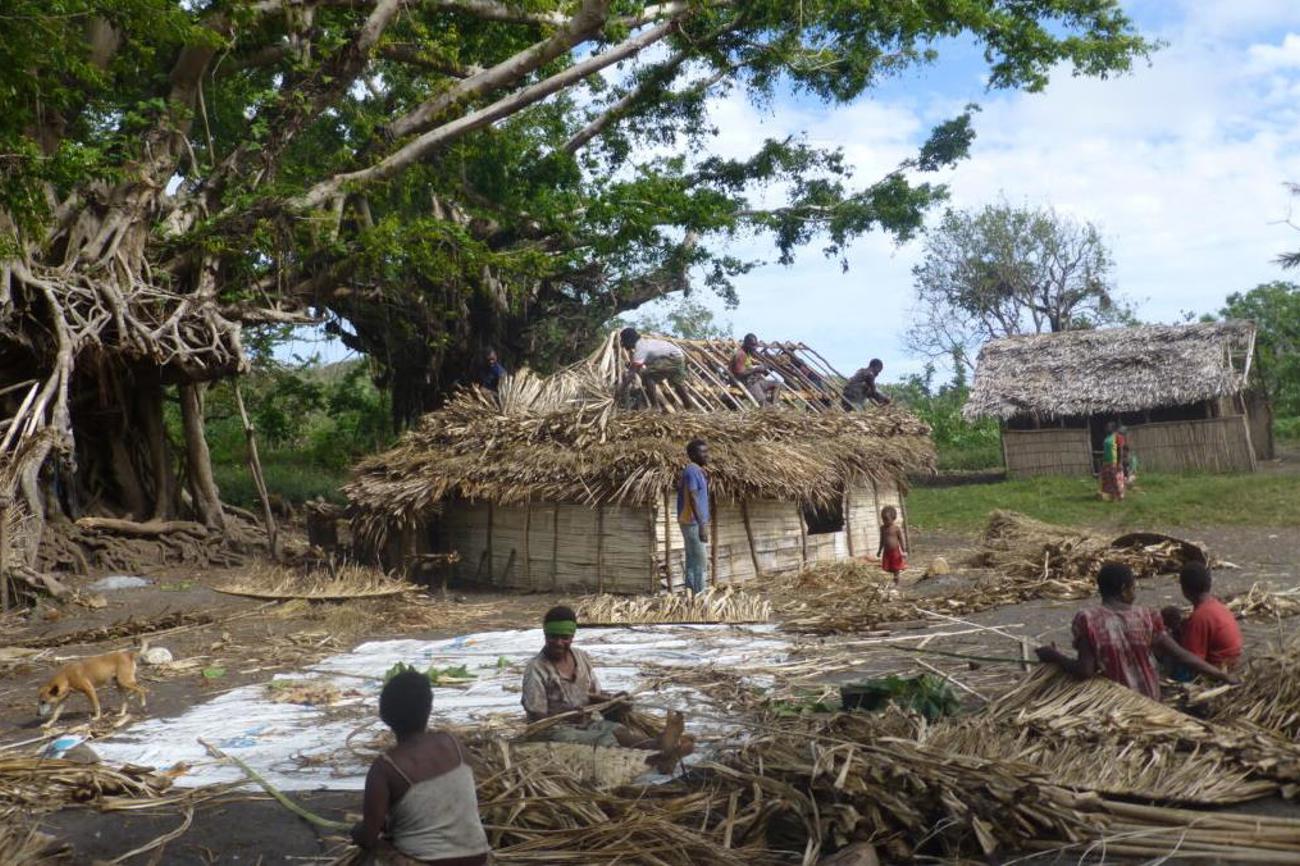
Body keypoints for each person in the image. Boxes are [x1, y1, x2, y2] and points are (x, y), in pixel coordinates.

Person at [1035, 562, 1238, 700]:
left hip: (1116, 701)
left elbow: (1084, 671)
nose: (1134, 592)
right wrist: (1222, 676)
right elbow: (1182, 655)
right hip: (1150, 698)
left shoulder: (1087, 620)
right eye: (1133, 587)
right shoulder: (1147, 617)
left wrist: (1054, 656)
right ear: (1125, 589)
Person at [351, 671, 491, 866]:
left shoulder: (385, 768)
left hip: (424, 862)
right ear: (429, 708)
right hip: (479, 858)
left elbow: (368, 837)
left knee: (376, 849)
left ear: (384, 714)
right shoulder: (453, 744)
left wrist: (356, 831)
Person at [521, 607, 695, 761]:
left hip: (586, 724)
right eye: (553, 637)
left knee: (616, 730)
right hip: (554, 732)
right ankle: (655, 756)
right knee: (603, 740)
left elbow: (593, 695)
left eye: (564, 637)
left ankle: (658, 747)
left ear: (572, 636)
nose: (559, 643)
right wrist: (568, 714)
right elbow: (537, 719)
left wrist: (613, 701)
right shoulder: (536, 668)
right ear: (545, 635)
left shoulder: (580, 657)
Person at [1162, 562, 1243, 671]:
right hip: (1231, 663)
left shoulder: (1200, 618)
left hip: (1216, 669)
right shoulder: (1218, 607)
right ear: (1208, 584)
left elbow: (1192, 660)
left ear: (1185, 590)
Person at [618, 327, 691, 408]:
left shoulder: (640, 349)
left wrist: (621, 389)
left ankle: (655, 407)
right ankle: (689, 406)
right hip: (678, 356)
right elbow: (638, 364)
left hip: (671, 358)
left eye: (625, 342)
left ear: (629, 340)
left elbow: (631, 374)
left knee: (647, 376)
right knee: (677, 383)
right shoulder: (644, 343)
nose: (625, 345)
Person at [678, 439, 710, 594]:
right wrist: (702, 524)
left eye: (707, 452)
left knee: (692, 561)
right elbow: (693, 497)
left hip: (692, 522)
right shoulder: (692, 471)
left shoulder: (698, 471)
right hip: (693, 522)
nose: (706, 455)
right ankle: (700, 595)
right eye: (703, 452)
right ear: (692, 455)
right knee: (700, 561)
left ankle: (691, 594)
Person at [730, 333, 780, 405]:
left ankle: (775, 406)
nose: (755, 348)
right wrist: (756, 369)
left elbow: (749, 366)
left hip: (753, 381)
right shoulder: (740, 355)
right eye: (752, 345)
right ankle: (769, 408)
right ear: (746, 344)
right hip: (747, 383)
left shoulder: (747, 353)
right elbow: (739, 374)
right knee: (763, 403)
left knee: (777, 384)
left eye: (755, 345)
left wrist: (764, 366)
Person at [877, 505, 906, 585]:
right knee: (888, 567)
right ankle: (894, 576)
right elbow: (882, 540)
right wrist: (879, 550)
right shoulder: (882, 528)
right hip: (886, 551)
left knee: (896, 566)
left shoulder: (896, 528)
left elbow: (901, 539)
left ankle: (896, 578)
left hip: (895, 551)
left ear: (893, 518)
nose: (885, 521)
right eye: (883, 519)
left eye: (887, 520)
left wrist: (903, 549)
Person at [1099, 421, 1126, 501]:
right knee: (1108, 480)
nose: (1106, 428)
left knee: (1116, 480)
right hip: (1106, 462)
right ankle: (1112, 496)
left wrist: (1120, 463)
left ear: (1113, 428)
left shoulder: (1117, 437)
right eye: (1106, 427)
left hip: (1114, 462)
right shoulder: (1107, 437)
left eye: (1108, 427)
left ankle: (1120, 496)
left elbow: (1120, 450)